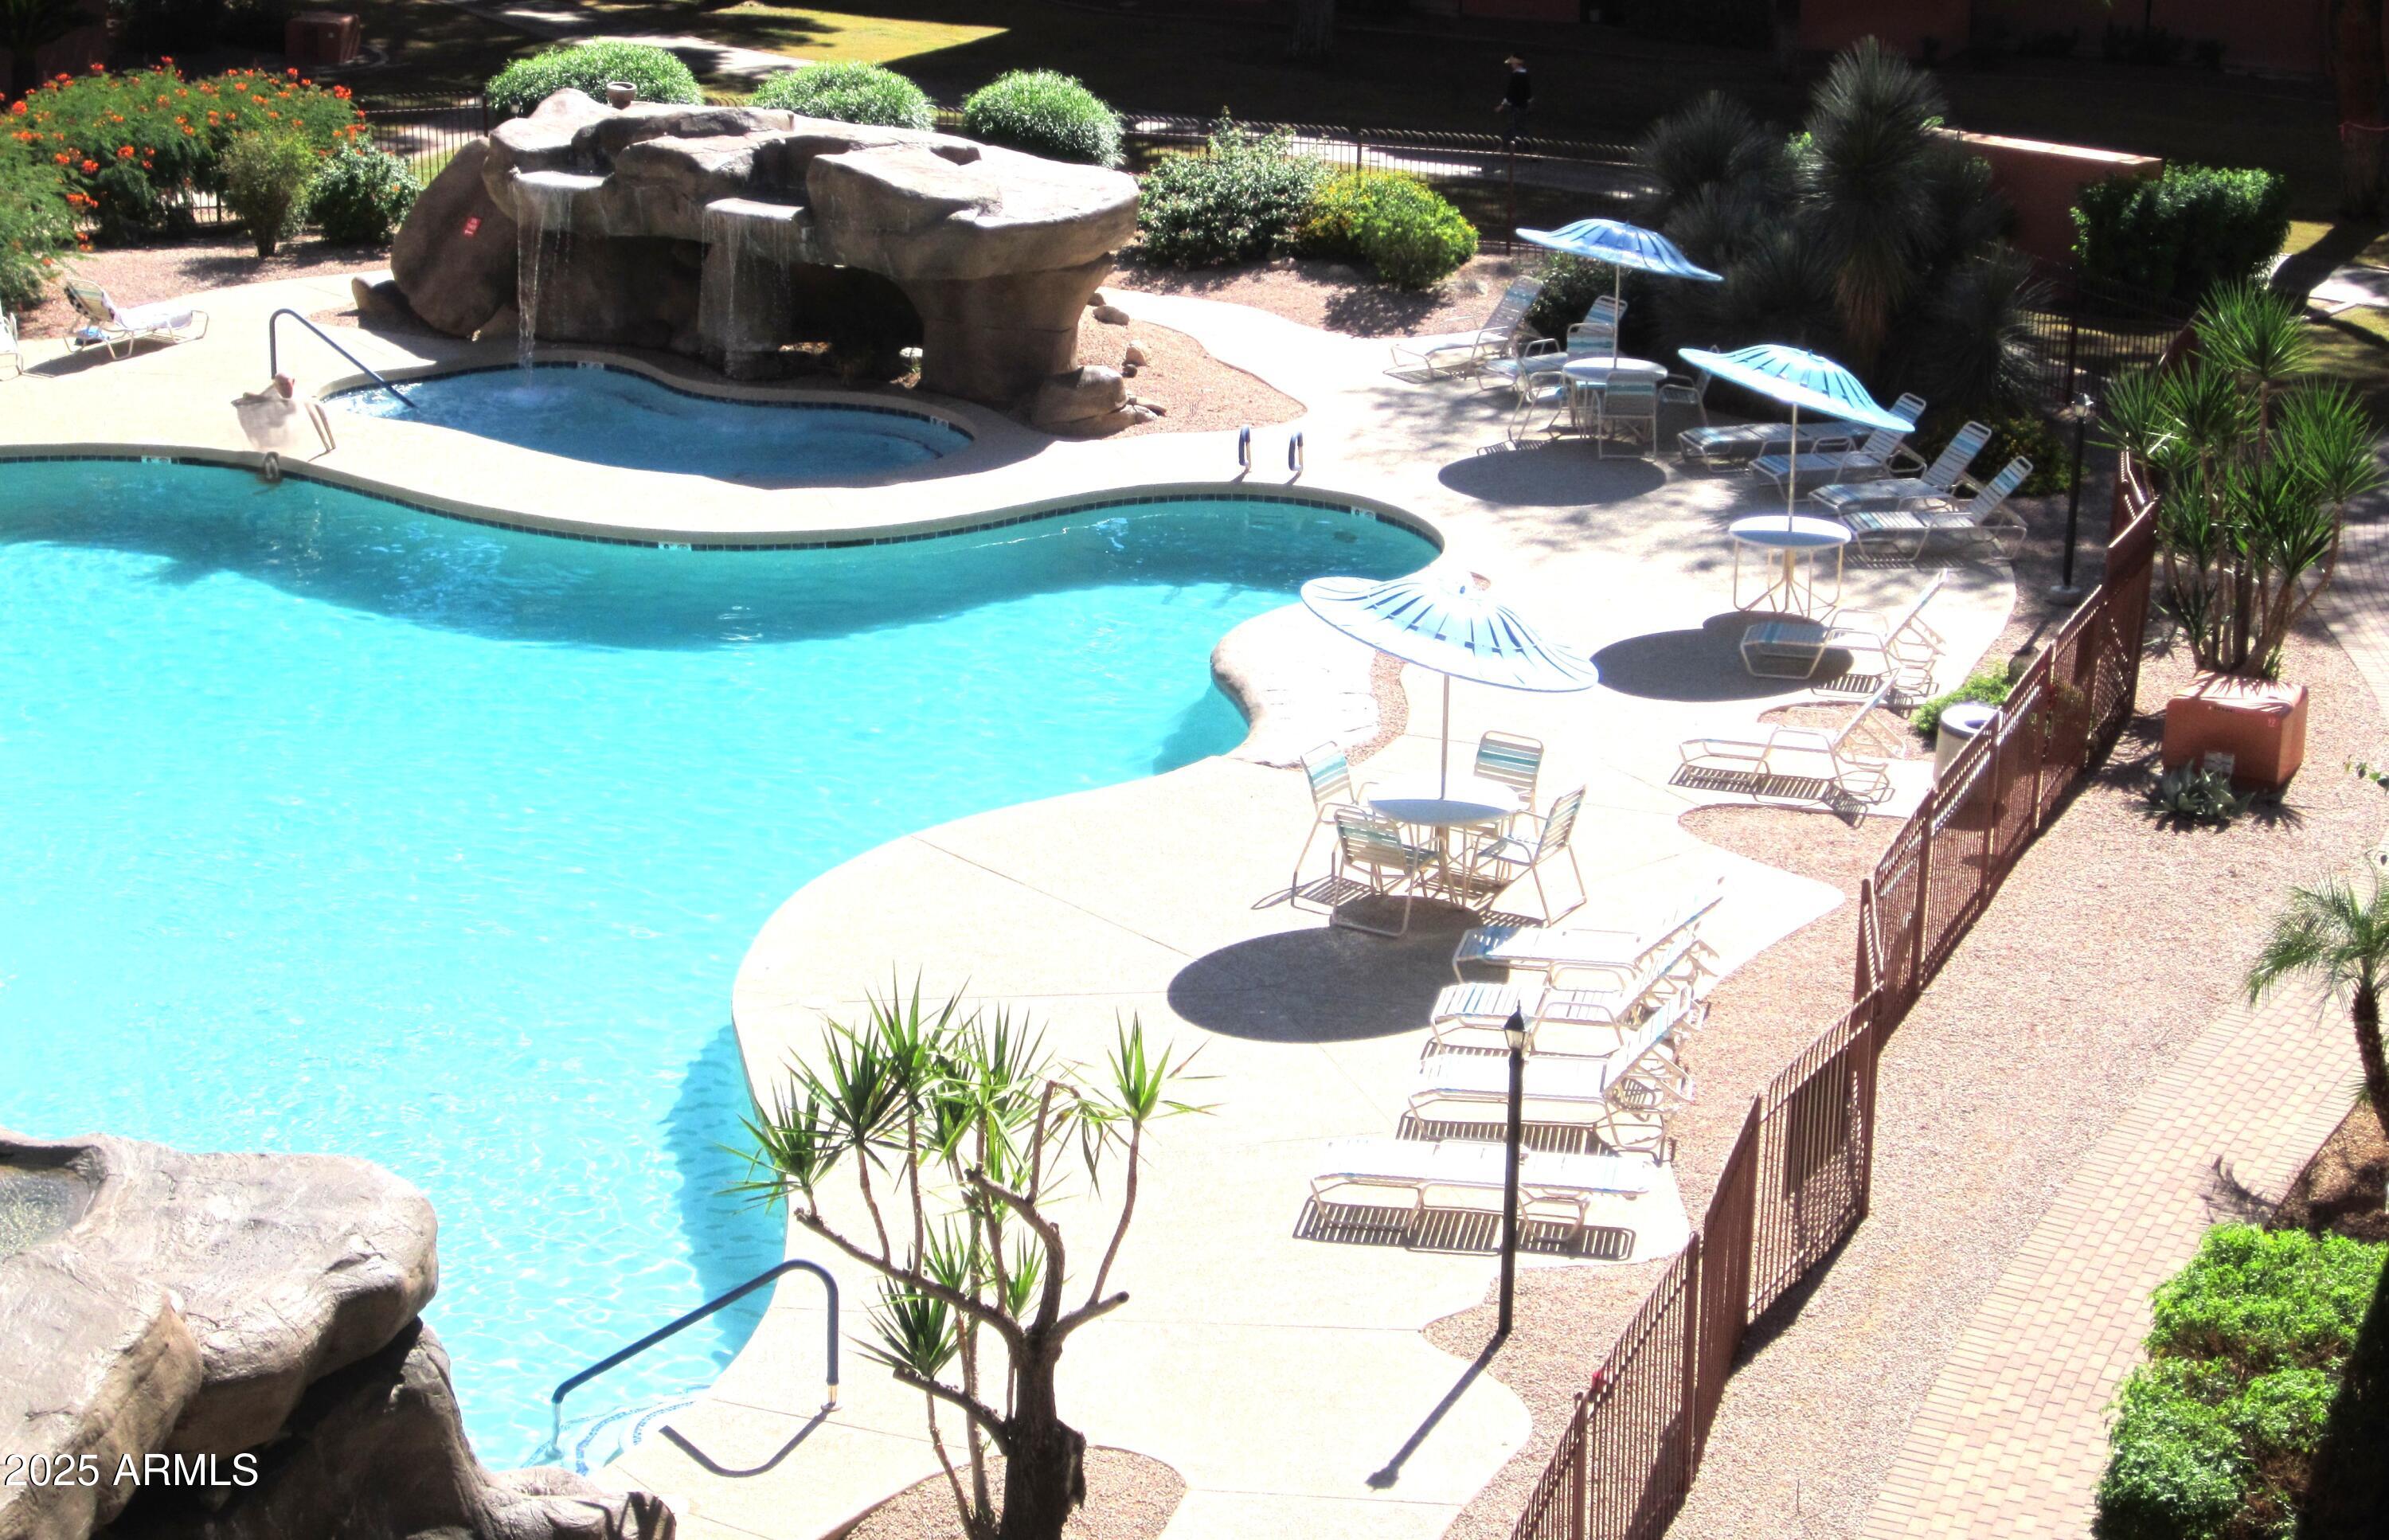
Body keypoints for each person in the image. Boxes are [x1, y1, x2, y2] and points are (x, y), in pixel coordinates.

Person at [1496, 53, 1532, 150]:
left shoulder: (1517, 76)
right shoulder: (1525, 75)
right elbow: (1528, 94)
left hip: (1516, 106)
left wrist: (1502, 104)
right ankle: (1503, 146)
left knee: (1515, 128)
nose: (1511, 65)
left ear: (1516, 64)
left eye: (1512, 63)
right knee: (1519, 128)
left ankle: (1503, 147)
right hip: (1523, 106)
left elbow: (1510, 92)